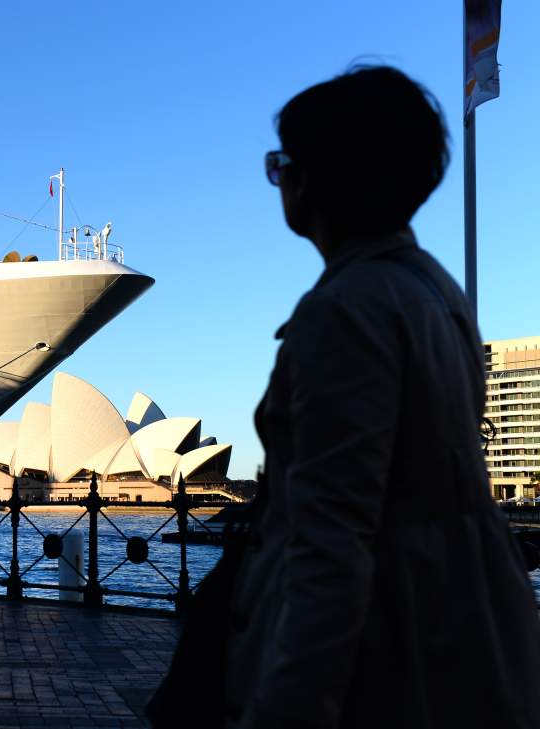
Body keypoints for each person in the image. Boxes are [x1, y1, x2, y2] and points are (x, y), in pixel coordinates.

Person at [223, 66, 540, 728]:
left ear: (318, 178)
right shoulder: (437, 292)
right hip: (465, 626)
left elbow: (331, 543)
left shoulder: (343, 312)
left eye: (283, 164)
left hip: (384, 657)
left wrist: (284, 707)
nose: (278, 179)